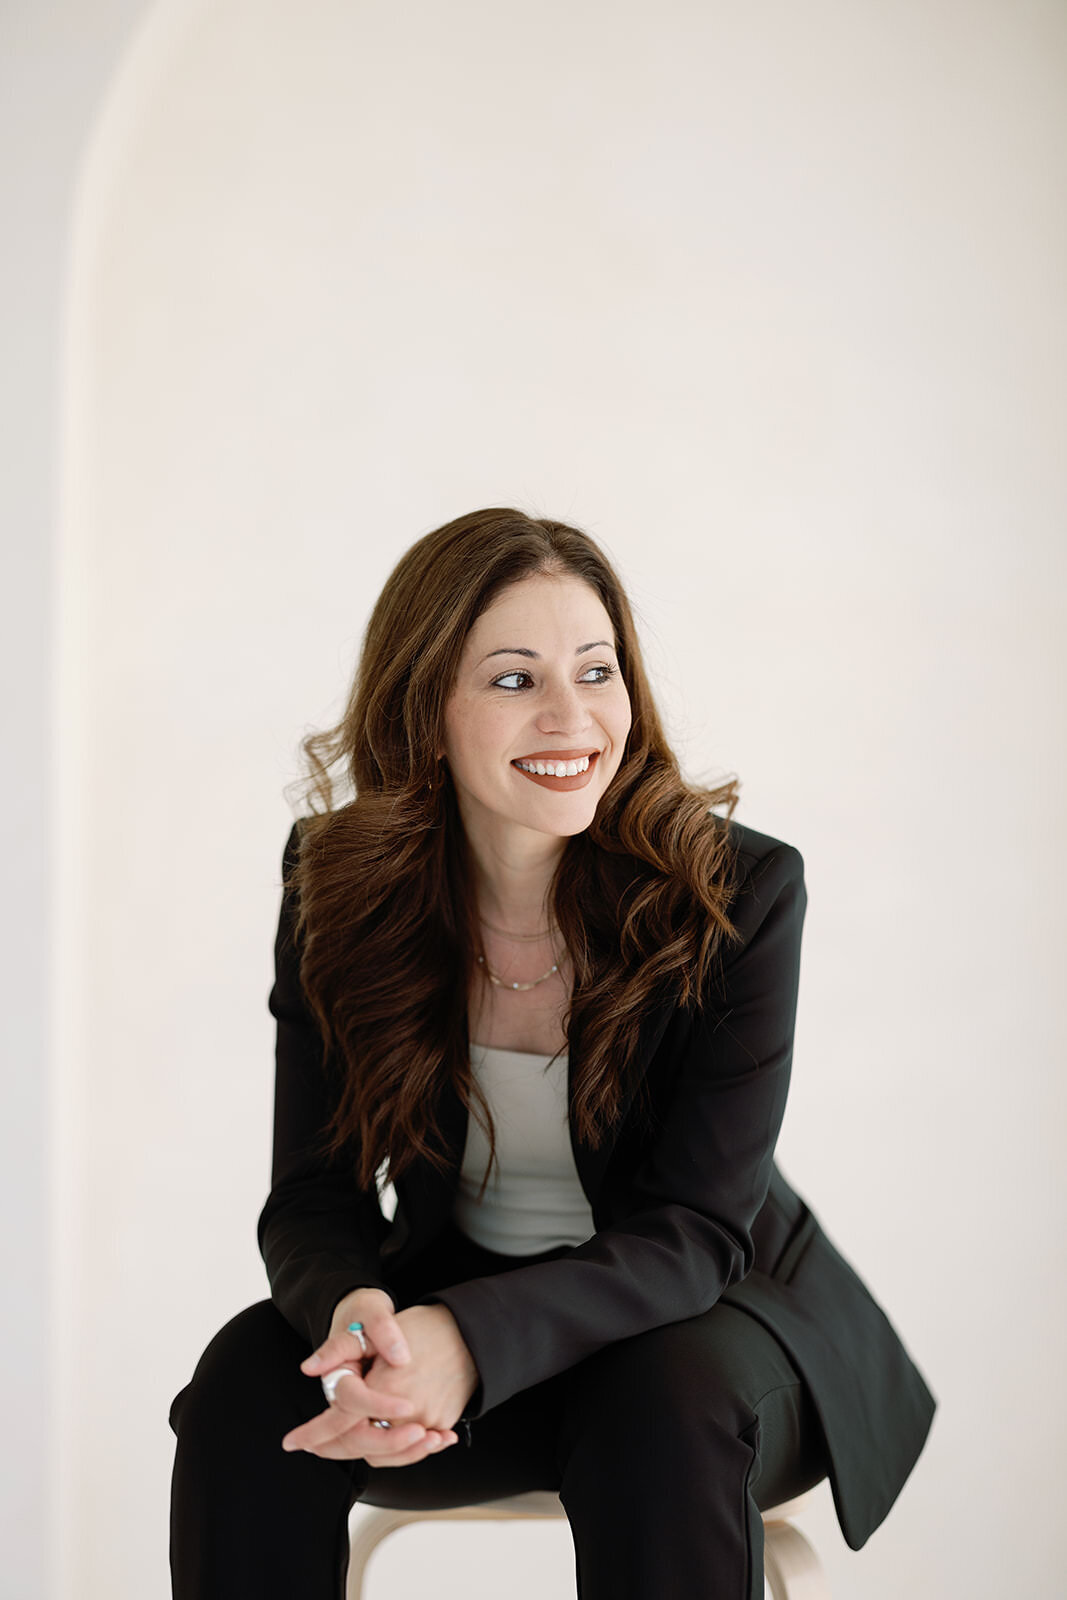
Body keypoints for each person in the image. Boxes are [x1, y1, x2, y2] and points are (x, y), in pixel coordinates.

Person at [168, 507, 935, 1599]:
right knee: (249, 1383)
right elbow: (310, 1197)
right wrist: (358, 1321)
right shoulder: (336, 886)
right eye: (514, 680)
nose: (573, 716)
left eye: (596, 669)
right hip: (464, 1331)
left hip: (707, 1334)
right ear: (424, 710)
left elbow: (694, 1231)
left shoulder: (734, 895)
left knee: (656, 1397)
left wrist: (466, 1341)